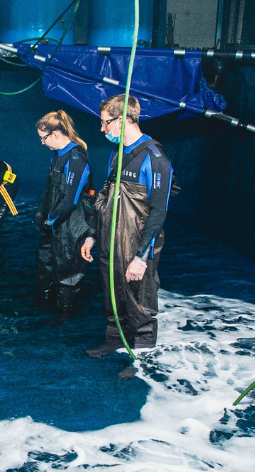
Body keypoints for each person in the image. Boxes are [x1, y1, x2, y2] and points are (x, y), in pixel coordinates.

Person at [80, 94, 173, 356]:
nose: (102, 129)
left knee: (140, 300)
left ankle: (143, 357)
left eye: (105, 123)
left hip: (137, 245)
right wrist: (91, 235)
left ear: (122, 120)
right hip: (111, 241)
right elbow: (105, 199)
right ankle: (114, 340)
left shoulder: (155, 157)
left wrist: (142, 257)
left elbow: (158, 211)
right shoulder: (116, 154)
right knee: (111, 294)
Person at [34, 111, 94, 324]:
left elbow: (70, 199)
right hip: (53, 224)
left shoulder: (76, 157)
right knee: (45, 267)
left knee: (67, 275)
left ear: (56, 134)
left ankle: (64, 321)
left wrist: (51, 220)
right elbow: (50, 189)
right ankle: (43, 312)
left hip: (70, 226)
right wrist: (42, 216)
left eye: (43, 138)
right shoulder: (56, 155)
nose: (42, 142)